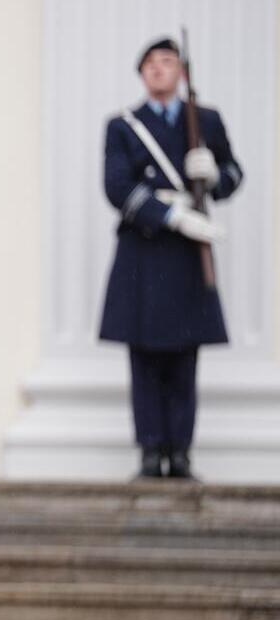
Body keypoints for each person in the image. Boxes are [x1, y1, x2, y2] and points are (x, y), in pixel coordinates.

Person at [99, 37, 244, 480]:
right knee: (143, 358)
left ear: (181, 72)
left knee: (184, 356)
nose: (159, 69)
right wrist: (172, 216)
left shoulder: (207, 120)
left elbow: (234, 174)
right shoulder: (124, 125)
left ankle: (180, 453)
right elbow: (117, 187)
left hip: (187, 256)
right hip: (145, 249)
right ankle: (149, 452)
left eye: (167, 62)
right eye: (150, 64)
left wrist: (214, 176)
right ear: (141, 75)